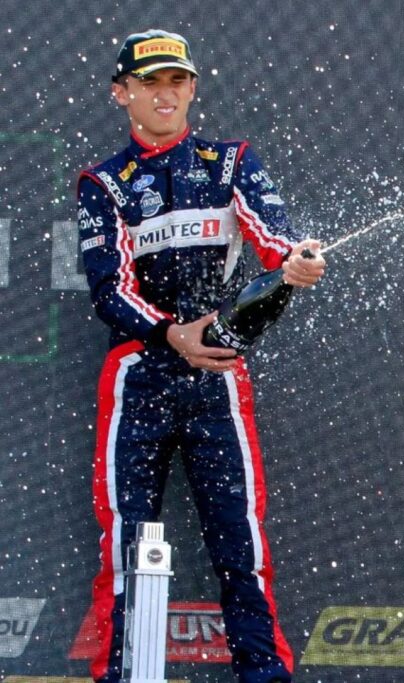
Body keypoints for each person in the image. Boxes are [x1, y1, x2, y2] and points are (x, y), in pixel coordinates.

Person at [77, 29, 325, 683]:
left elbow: (276, 239)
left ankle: (264, 674)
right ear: (121, 92)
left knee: (240, 541)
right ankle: (122, 674)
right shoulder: (104, 183)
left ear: (193, 89)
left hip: (216, 376)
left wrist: (295, 263)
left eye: (177, 81)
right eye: (150, 83)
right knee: (125, 542)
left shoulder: (230, 160)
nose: (165, 95)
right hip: (139, 374)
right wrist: (170, 333)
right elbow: (109, 288)